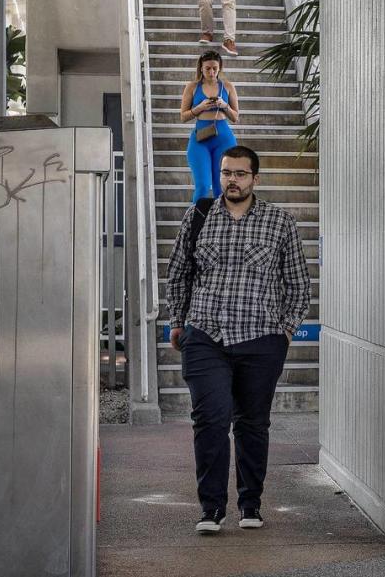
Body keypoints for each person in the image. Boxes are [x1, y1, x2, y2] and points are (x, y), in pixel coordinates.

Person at [166, 145, 312, 534]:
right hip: (206, 335)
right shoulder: (198, 216)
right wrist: (178, 322)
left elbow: (299, 285)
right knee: (210, 421)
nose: (231, 180)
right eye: (226, 173)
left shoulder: (280, 222)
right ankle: (211, 509)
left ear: (255, 179)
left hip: (260, 338)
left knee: (252, 424)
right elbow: (178, 272)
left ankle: (250, 504)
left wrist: (284, 331)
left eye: (240, 174)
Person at [181, 50, 240, 203]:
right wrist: (200, 107)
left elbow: (235, 117)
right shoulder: (192, 87)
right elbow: (183, 116)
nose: (211, 72)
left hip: (224, 138)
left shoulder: (227, 86)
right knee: (202, 186)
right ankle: (195, 224)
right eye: (207, 68)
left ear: (220, 68)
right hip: (201, 138)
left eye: (215, 68)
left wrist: (224, 105)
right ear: (201, 68)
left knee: (221, 187)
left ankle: (221, 222)